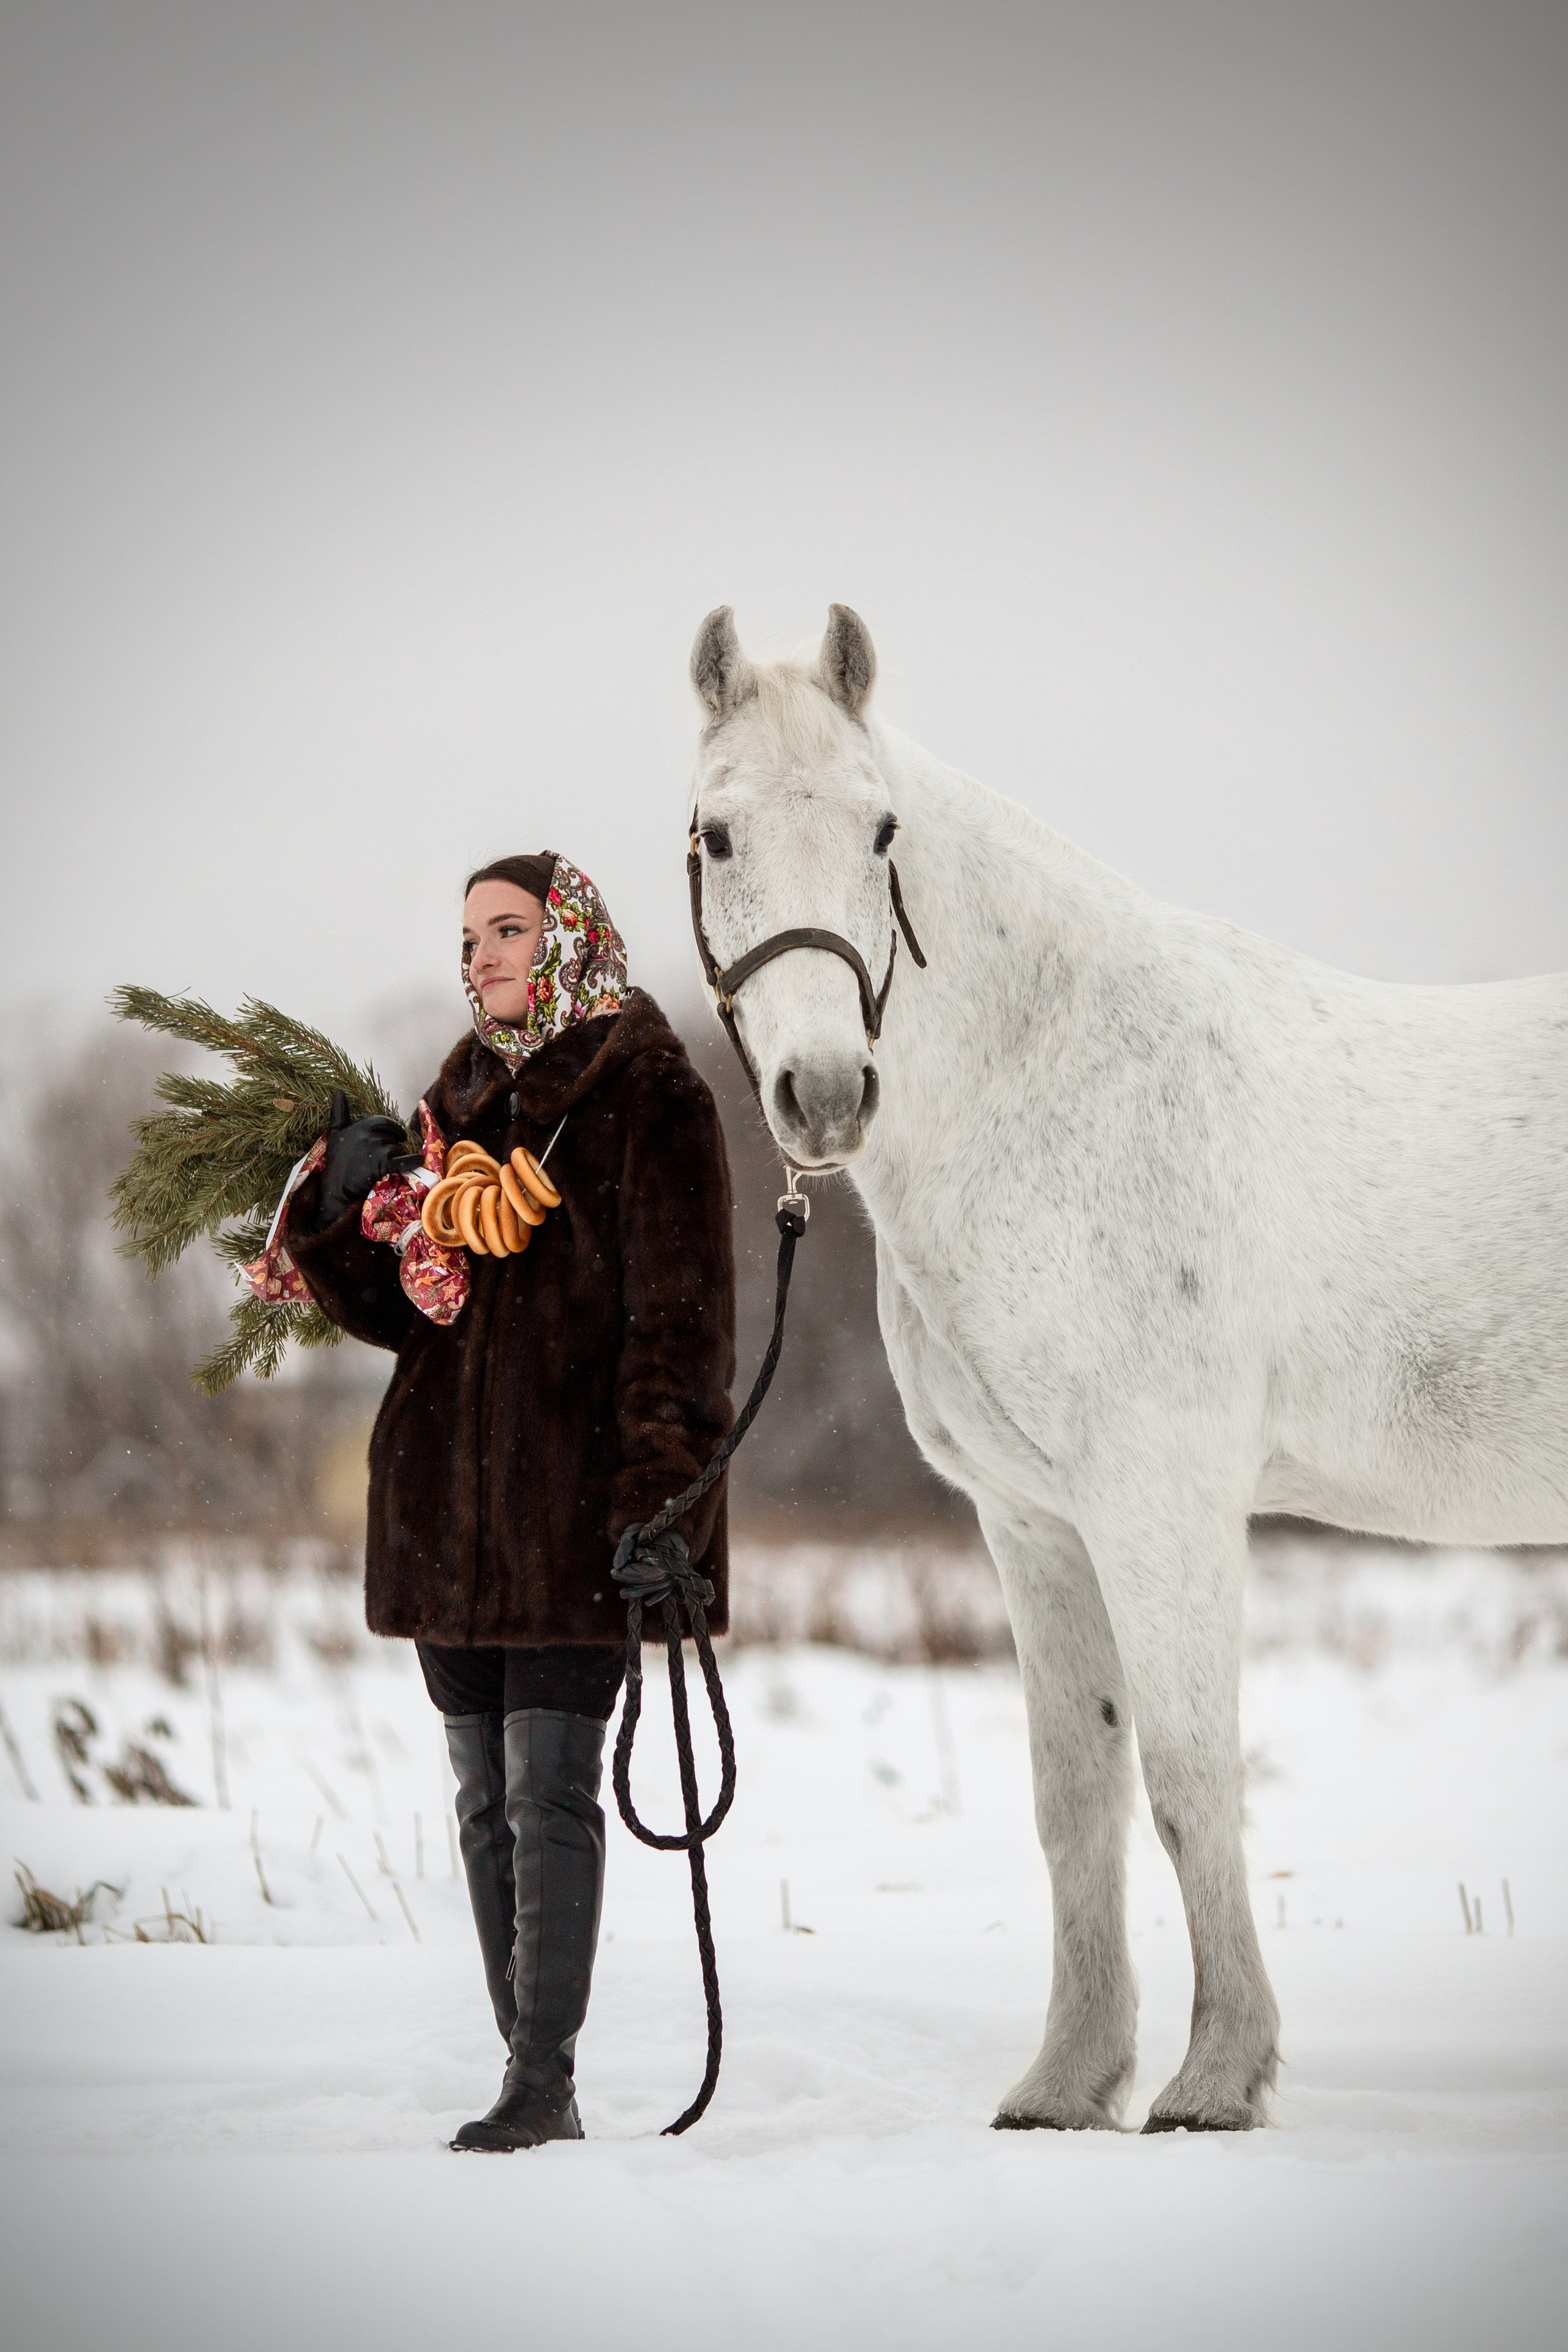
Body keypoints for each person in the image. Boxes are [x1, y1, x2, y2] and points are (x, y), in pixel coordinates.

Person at [286, 852, 736, 2149]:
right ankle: (528, 2073)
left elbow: (683, 1319)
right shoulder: (458, 1097)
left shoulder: (645, 1093)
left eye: (506, 931)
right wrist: (337, 1213)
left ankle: (542, 2082)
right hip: (442, 1504)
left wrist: (661, 1501)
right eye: (468, 935)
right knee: (482, 1798)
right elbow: (408, 1312)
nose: (478, 955)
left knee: (548, 1792)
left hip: (579, 1512)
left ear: (572, 938)